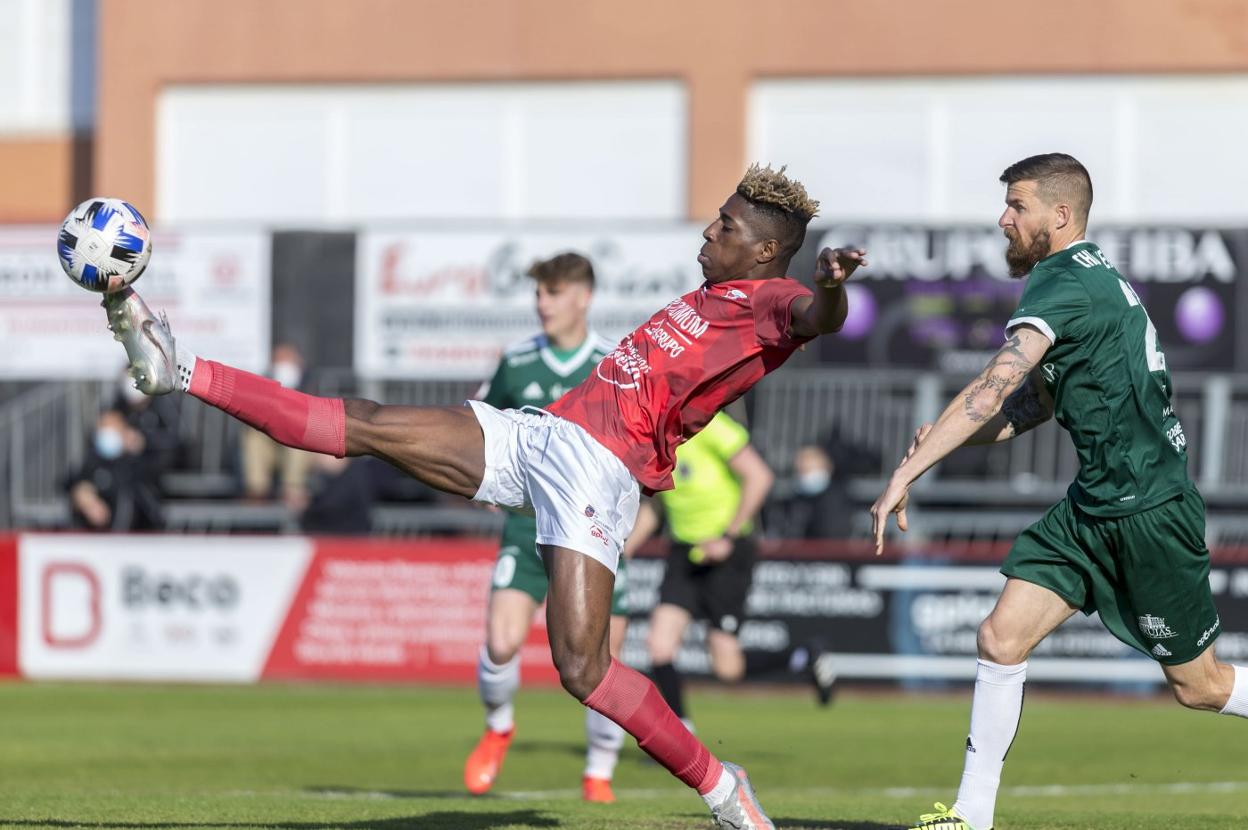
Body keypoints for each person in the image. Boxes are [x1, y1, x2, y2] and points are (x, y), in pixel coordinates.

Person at [102, 163, 865, 830]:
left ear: (764, 249)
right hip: (542, 437)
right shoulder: (713, 291)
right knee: (365, 424)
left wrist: (828, 289)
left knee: (583, 670)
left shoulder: (774, 300)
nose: (708, 228)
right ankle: (182, 369)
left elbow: (814, 317)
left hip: (596, 473)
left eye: (725, 224)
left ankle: (722, 786)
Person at [870, 153, 1246, 830]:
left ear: (1060, 215)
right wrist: (946, 443)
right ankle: (970, 817)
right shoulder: (1088, 280)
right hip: (1092, 508)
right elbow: (1029, 406)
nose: (1003, 219)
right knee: (1000, 637)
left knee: (1202, 687)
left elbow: (993, 382)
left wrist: (907, 469)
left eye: (1017, 206)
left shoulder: (1062, 280)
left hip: (1148, 511)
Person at [461, 252, 632, 803]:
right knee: (500, 640)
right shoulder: (516, 362)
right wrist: (485, 478)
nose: (542, 304)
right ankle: (499, 726)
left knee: (605, 660)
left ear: (583, 297)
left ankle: (598, 775)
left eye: (553, 293)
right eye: (538, 293)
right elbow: (481, 426)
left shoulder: (613, 363)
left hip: (591, 531)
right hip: (525, 529)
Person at [628, 411, 836, 726]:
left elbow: (760, 476)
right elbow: (656, 505)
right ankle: (680, 732)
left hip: (728, 551)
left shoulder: (710, 425)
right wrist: (625, 549)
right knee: (659, 646)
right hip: (684, 551)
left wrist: (728, 534)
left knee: (728, 668)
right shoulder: (656, 441)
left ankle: (805, 656)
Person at [240, 343, 314, 510]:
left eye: (287, 359)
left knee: (301, 436)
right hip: (271, 444)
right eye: (279, 360)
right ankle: (256, 491)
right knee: (254, 437)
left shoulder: (311, 385)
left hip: (299, 447)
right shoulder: (262, 386)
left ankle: (293, 489)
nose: (284, 364)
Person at [66, 408, 163, 531]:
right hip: (96, 539)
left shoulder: (141, 462)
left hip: (138, 537)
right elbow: (73, 483)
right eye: (103, 427)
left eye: (112, 427)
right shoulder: (92, 462)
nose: (107, 432)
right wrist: (83, 497)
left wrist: (141, 447)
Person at [765, 444, 854, 540]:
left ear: (827, 468)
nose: (804, 476)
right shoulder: (793, 502)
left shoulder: (837, 500)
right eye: (801, 471)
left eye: (808, 470)